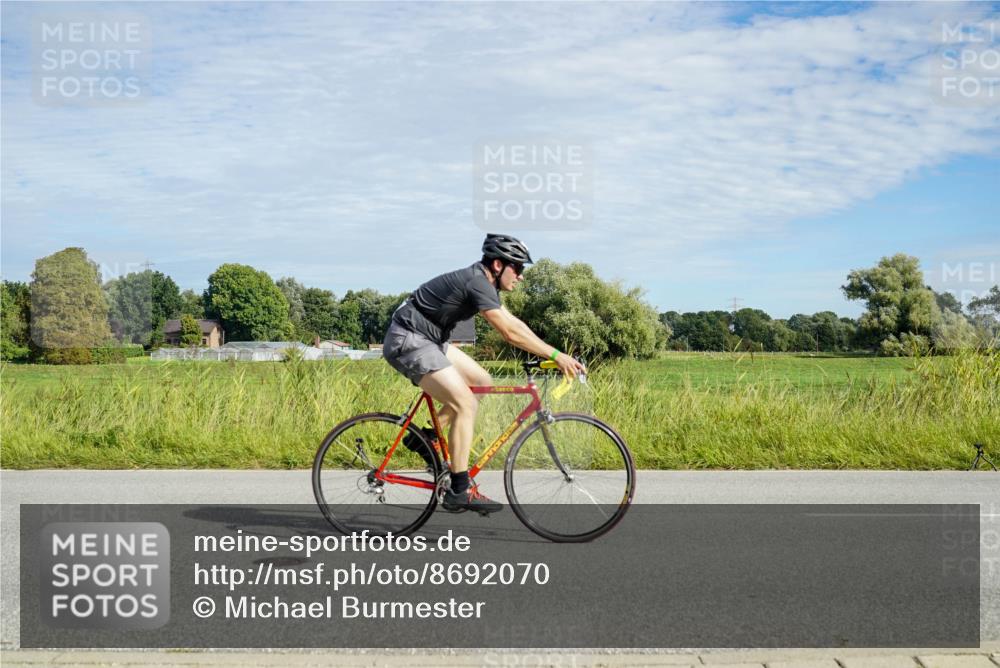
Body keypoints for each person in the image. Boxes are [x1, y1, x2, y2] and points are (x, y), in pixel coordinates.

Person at [382, 233, 586, 514]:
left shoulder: (485, 283)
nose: (521, 276)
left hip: (430, 339)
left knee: (481, 381)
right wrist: (555, 356)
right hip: (409, 339)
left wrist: (555, 353)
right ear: (498, 265)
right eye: (518, 267)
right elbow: (509, 333)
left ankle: (427, 438)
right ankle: (459, 489)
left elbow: (515, 324)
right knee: (465, 403)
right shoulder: (477, 281)